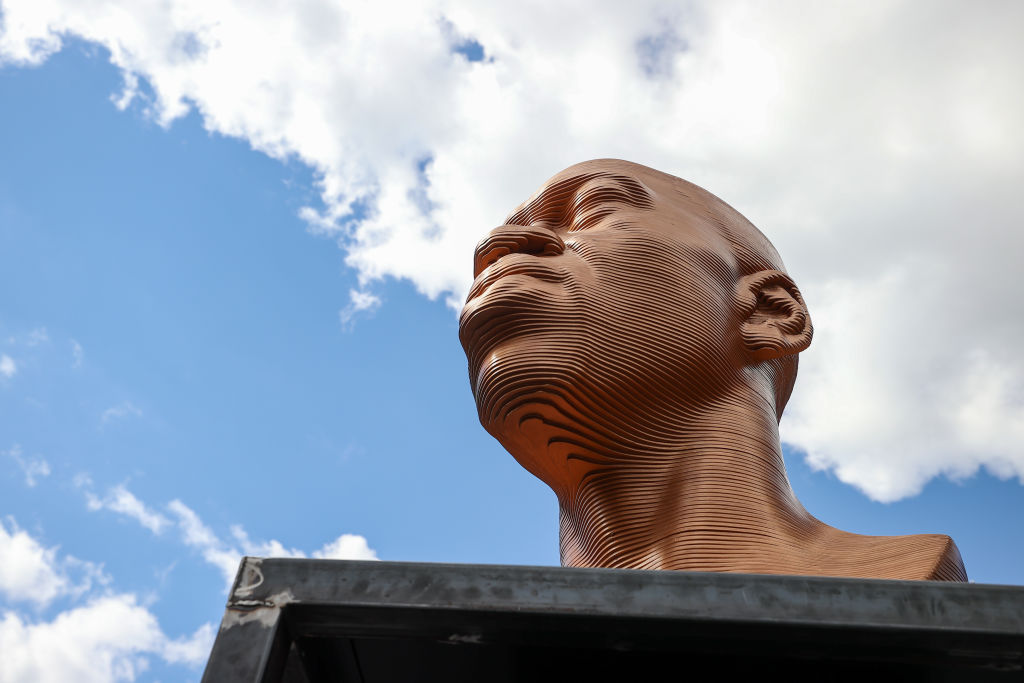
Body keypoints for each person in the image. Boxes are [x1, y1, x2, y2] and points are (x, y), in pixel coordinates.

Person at [459, 159, 966, 581]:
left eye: (594, 207)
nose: (497, 245)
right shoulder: (464, 643)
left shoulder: (901, 581)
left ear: (771, 314)